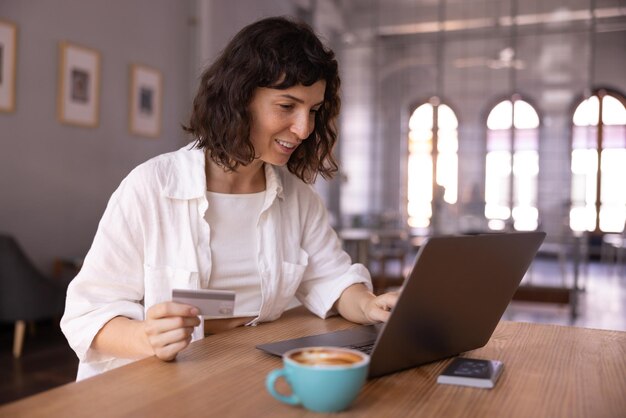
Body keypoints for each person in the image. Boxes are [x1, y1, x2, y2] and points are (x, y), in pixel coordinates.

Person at [61, 16, 398, 380]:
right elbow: (86, 314)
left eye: (313, 111)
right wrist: (145, 336)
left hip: (240, 372)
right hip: (148, 384)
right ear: (240, 98)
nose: (303, 129)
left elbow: (331, 279)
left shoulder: (299, 198)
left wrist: (370, 305)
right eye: (287, 107)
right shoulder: (150, 187)